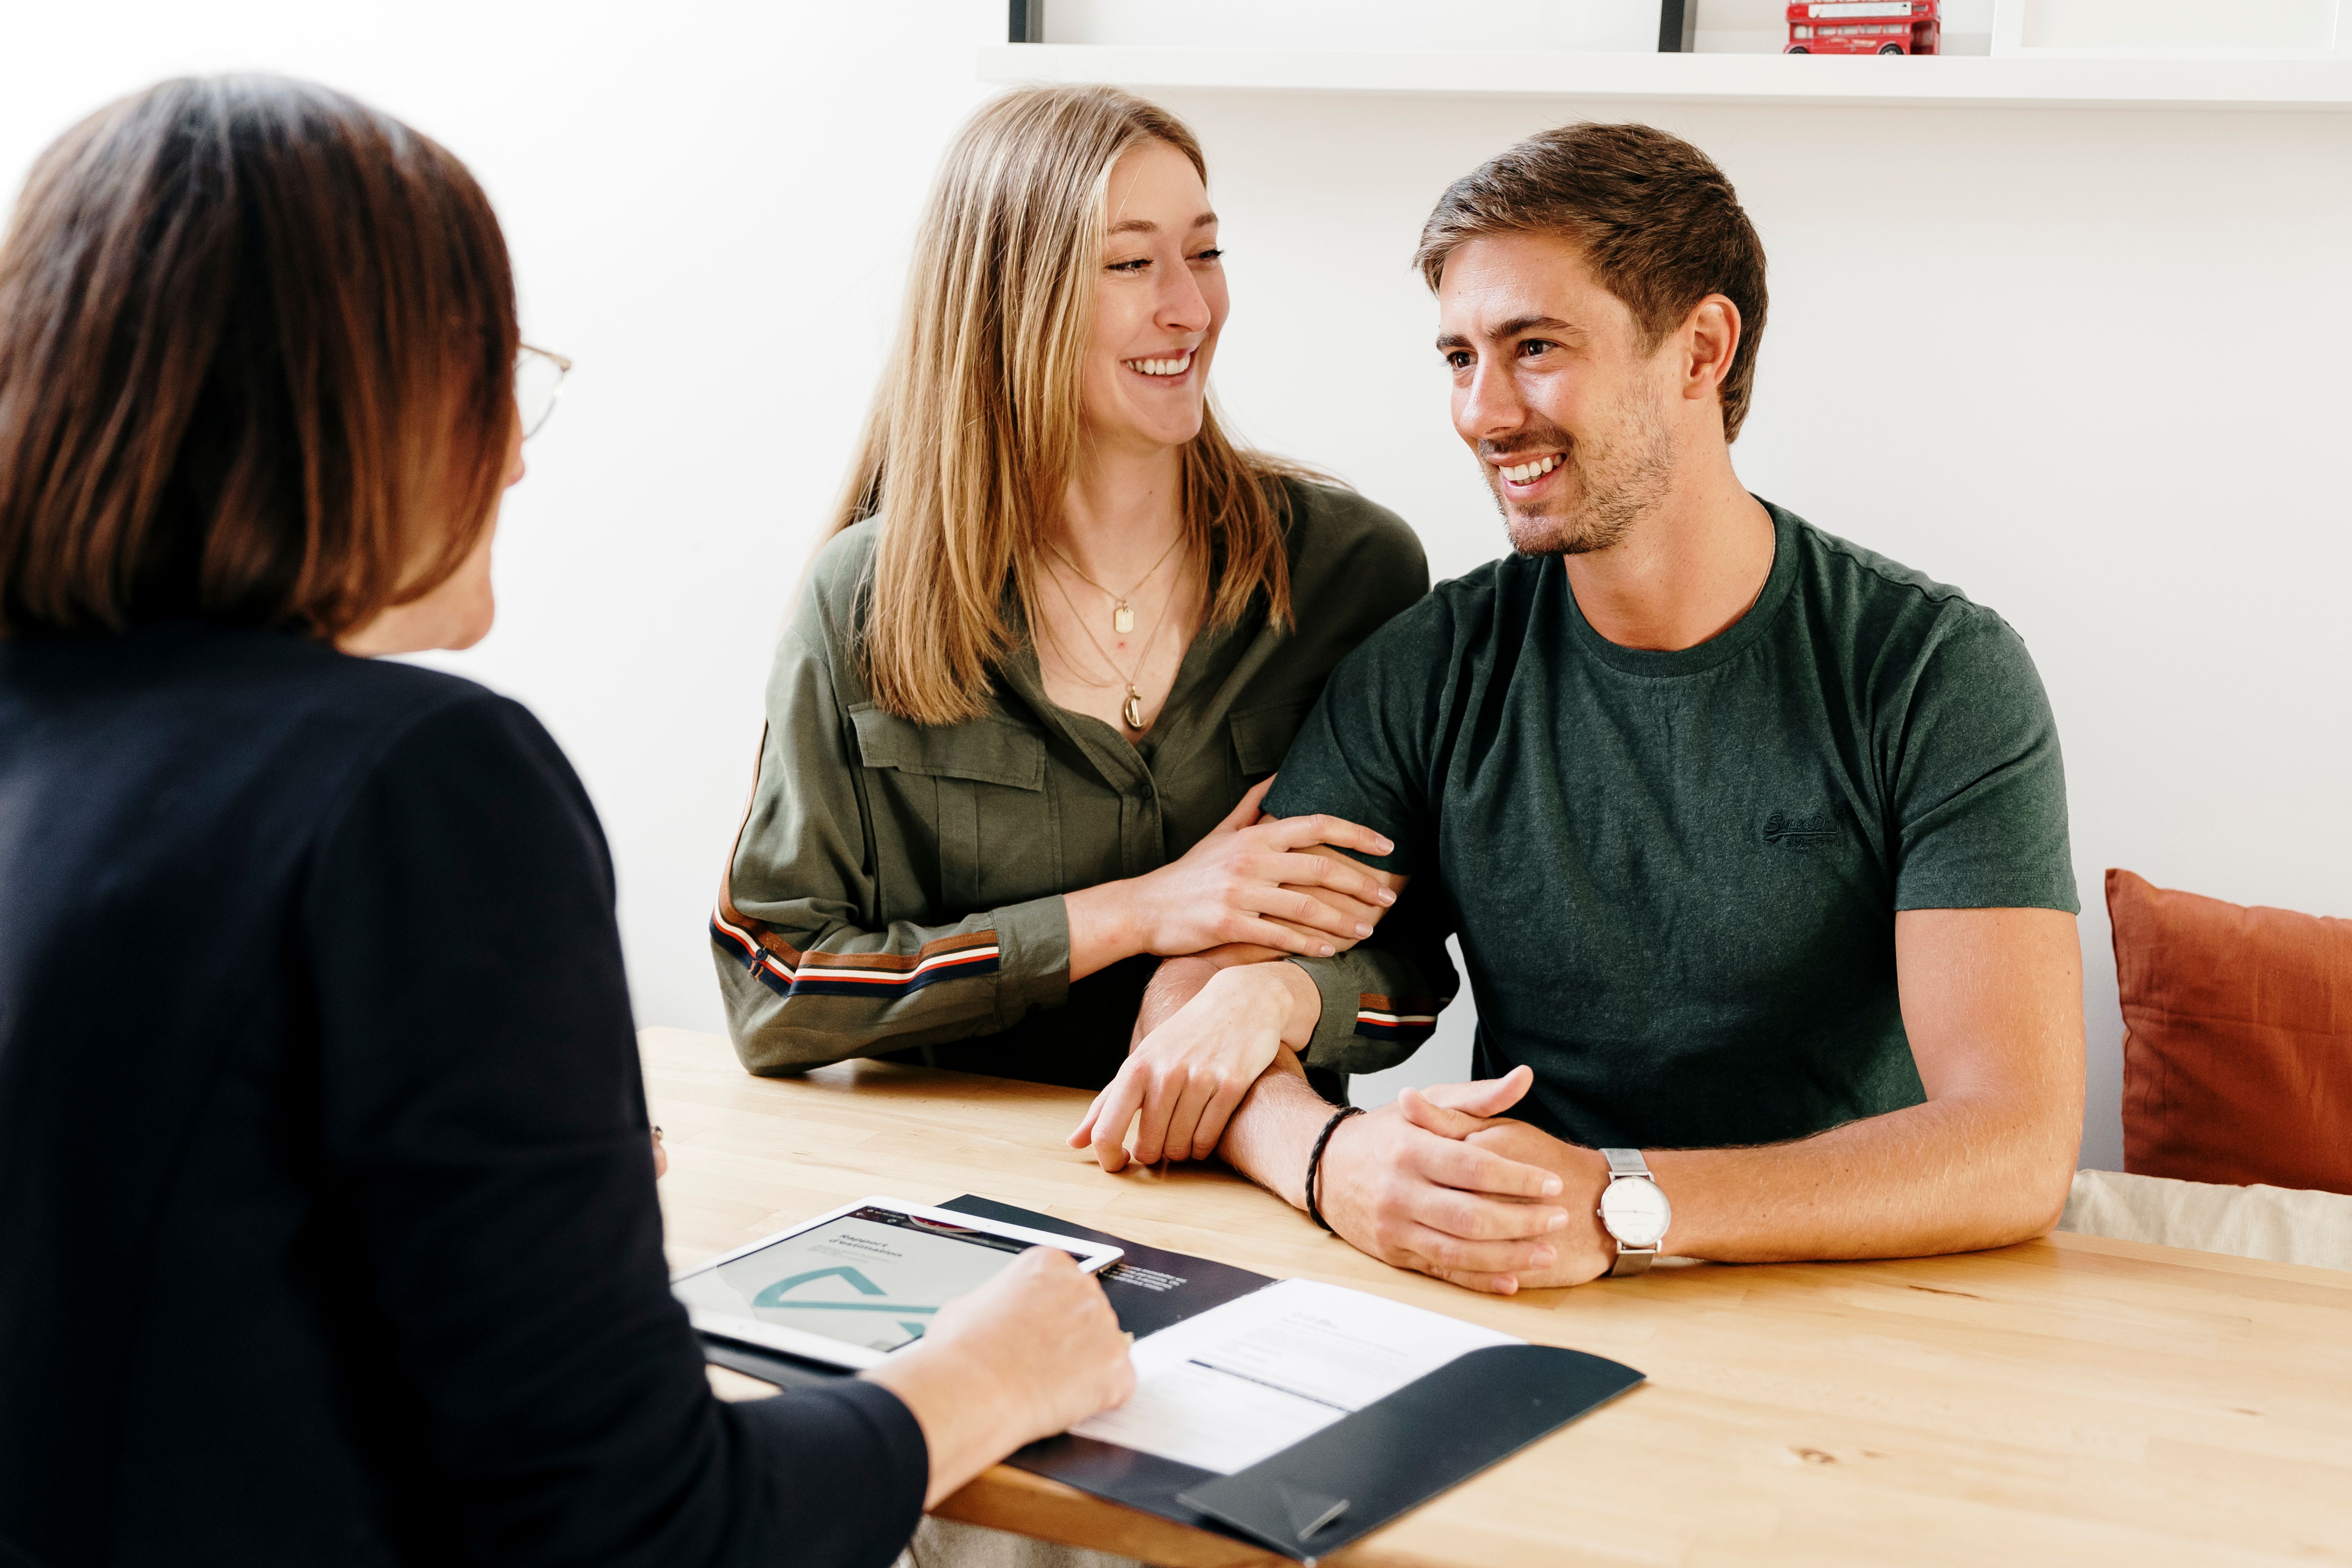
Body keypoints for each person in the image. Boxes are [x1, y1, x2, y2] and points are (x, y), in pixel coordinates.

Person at [0, 77, 1130, 1568]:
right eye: (493, 377)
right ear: (357, 398)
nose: (518, 458)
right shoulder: (421, 787)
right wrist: (992, 1372)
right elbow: (642, 1531)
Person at [1081, 122, 2086, 1295]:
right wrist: (1333, 1162)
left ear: (1702, 348)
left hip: (1848, 1286)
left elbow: (2014, 1147)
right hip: (1528, 1284)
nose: (1484, 412)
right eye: (1459, 358)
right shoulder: (1432, 666)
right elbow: (1194, 1000)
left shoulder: (1933, 674)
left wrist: (1618, 1204)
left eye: (1536, 347)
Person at [710, 85, 1430, 1136]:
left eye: (1207, 251)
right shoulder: (861, 602)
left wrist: (1265, 996)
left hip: (1254, 1191)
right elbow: (774, 990)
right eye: (1131, 263)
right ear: (1009, 302)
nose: (1190, 307)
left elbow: (1411, 968)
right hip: (944, 1196)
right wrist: (1133, 914)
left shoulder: (1352, 573)